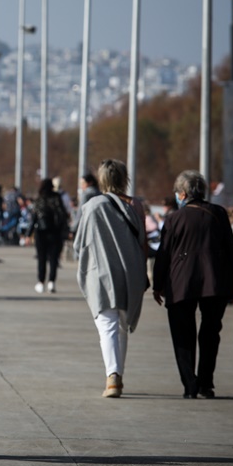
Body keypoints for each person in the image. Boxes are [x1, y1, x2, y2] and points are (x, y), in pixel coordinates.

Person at [153, 170, 233, 399]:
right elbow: (232, 250)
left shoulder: (173, 218)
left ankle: (189, 384)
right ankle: (206, 383)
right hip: (215, 281)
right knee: (211, 332)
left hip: (181, 281)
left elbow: (163, 254)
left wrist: (158, 284)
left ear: (183, 193)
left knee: (183, 334)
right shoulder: (219, 213)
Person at [73, 159, 148, 398]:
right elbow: (142, 242)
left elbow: (80, 244)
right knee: (122, 326)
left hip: (102, 273)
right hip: (131, 272)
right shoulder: (136, 205)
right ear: (124, 178)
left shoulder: (92, 205)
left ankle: (112, 376)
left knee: (107, 326)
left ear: (102, 179)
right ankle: (117, 376)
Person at [30, 178, 70, 294]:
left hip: (41, 232)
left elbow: (34, 218)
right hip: (55, 232)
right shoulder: (57, 198)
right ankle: (52, 282)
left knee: (41, 258)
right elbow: (62, 215)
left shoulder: (39, 199)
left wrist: (28, 234)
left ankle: (41, 282)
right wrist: (65, 231)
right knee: (53, 258)